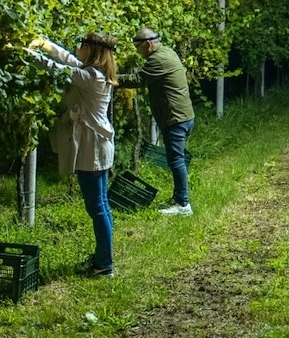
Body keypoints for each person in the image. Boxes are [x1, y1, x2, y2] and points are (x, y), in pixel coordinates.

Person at [28, 33, 118, 278]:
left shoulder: (90, 77)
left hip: (92, 148)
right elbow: (66, 59)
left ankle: (105, 265)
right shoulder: (93, 73)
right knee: (101, 206)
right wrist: (46, 45)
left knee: (97, 207)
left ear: (92, 51)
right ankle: (103, 259)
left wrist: (25, 53)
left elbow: (56, 68)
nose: (78, 49)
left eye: (82, 46)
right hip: (98, 146)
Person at [119, 28, 195, 216]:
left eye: (138, 47)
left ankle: (183, 205)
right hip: (182, 115)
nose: (138, 52)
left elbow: (138, 79)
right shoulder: (167, 52)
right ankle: (178, 198)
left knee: (176, 160)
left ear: (148, 44)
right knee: (176, 159)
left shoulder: (158, 59)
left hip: (175, 118)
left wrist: (109, 78)